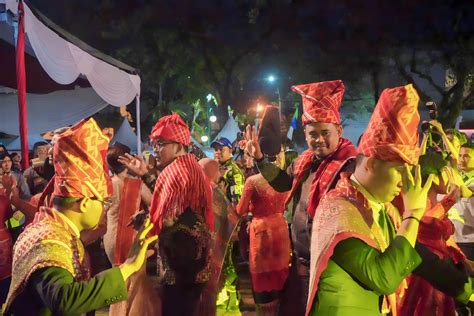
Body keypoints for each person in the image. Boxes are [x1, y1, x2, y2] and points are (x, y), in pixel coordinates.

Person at [3, 118, 157, 316]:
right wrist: (128, 267)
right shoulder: (49, 240)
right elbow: (64, 300)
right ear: (84, 203)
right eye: (102, 202)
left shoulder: (51, 228)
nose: (103, 209)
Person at [306, 84, 438, 315]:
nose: (405, 183)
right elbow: (384, 278)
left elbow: (409, 250)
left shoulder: (379, 207)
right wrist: (413, 214)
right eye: (400, 171)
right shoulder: (340, 210)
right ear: (371, 164)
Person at [245, 80, 357, 314]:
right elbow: (283, 183)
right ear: (305, 135)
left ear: (339, 131)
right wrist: (259, 160)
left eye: (325, 132)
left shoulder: (351, 166)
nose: (319, 139)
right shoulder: (304, 161)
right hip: (301, 260)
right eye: (312, 134)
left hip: (334, 266)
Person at [119, 113, 213, 316]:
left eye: (161, 144)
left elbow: (169, 217)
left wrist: (144, 220)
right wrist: (145, 174)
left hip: (182, 266)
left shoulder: (177, 172)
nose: (156, 149)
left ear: (178, 145)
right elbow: (172, 204)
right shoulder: (188, 166)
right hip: (193, 262)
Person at [104, 142, 157, 316]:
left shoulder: (105, 186)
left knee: (118, 278)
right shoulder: (136, 185)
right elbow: (154, 204)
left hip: (110, 238)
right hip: (131, 236)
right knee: (137, 280)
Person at [236, 158, 291, 315]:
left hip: (261, 234)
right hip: (281, 230)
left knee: (262, 281)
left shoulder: (252, 181)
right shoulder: (285, 180)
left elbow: (240, 210)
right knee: (280, 276)